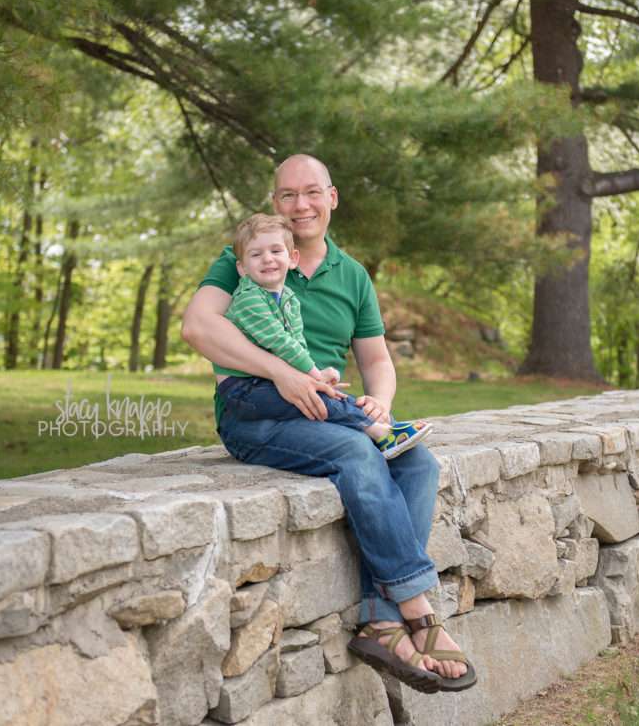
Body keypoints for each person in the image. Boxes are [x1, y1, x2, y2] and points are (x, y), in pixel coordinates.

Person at [181, 154, 476, 693]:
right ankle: (416, 613)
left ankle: (382, 621)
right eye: (288, 195)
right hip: (258, 413)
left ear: (331, 198)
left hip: (329, 409)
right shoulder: (250, 256)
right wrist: (282, 374)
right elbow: (198, 328)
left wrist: (380, 403)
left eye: (311, 193)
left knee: (418, 462)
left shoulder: (352, 275)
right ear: (276, 203)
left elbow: (377, 361)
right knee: (358, 454)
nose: (301, 205)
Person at [217, 212, 432, 460]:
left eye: (276, 251)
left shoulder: (287, 298)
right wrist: (314, 376)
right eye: (256, 254)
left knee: (328, 396)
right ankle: (377, 432)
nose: (268, 259)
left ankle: (379, 429)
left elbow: (297, 340)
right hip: (245, 390)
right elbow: (280, 343)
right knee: (319, 399)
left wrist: (316, 375)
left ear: (292, 258)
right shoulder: (249, 299)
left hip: (273, 383)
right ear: (242, 268)